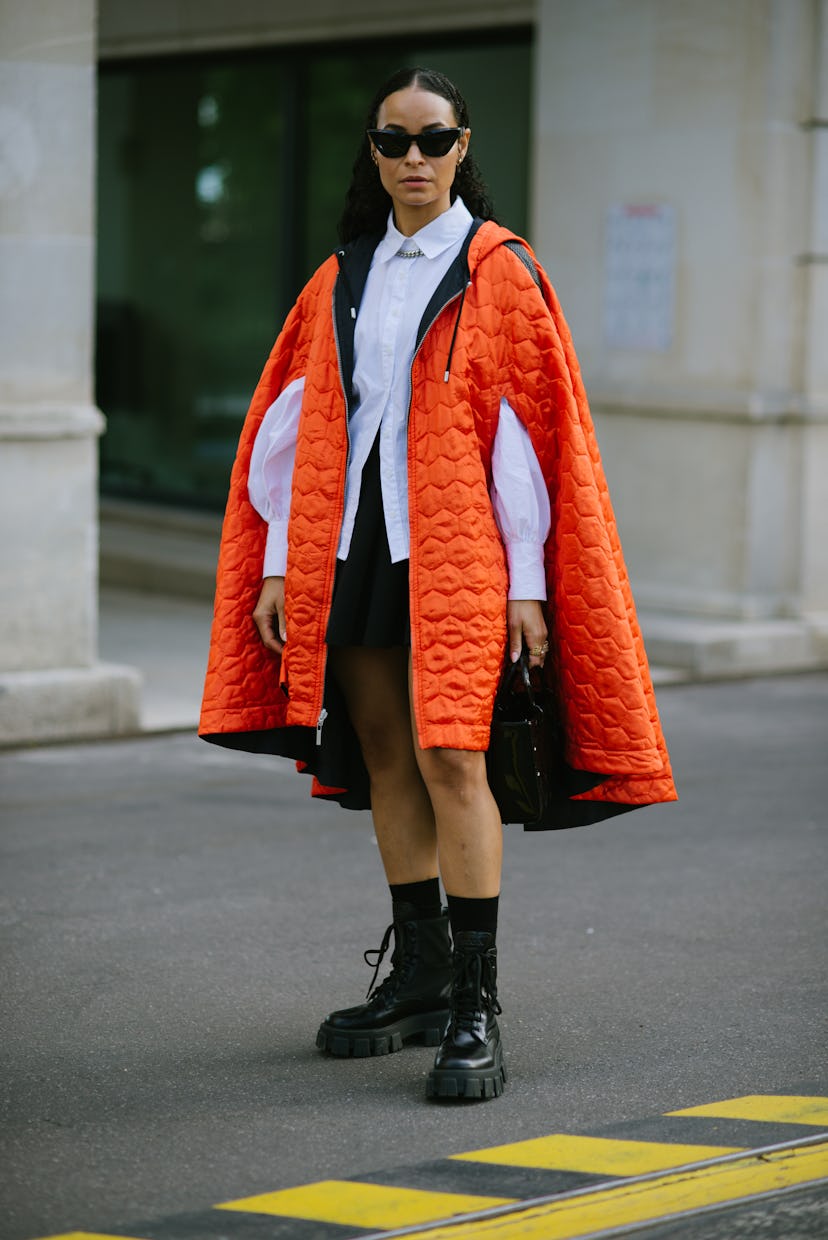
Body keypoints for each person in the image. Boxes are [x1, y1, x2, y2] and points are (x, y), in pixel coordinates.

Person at [200, 66, 676, 1102]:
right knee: (382, 751)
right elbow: (299, 423)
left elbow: (529, 440)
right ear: (372, 153)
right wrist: (284, 558)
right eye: (392, 141)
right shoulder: (343, 275)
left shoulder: (499, 269)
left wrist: (526, 582)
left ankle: (476, 1002)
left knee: (454, 754)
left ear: (464, 147)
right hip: (353, 545)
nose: (412, 158)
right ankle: (417, 976)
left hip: (457, 551)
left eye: (433, 139)